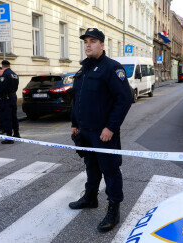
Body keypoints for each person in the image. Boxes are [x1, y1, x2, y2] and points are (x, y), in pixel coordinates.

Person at [69, 28, 132, 232]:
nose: (88, 44)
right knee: (91, 166)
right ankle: (90, 198)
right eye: (86, 41)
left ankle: (113, 210)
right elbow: (77, 100)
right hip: (85, 132)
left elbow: (124, 100)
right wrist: (74, 124)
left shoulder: (112, 68)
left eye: (93, 41)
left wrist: (110, 127)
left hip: (103, 133)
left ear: (102, 45)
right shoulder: (83, 70)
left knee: (110, 170)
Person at [0, 60, 20, 144]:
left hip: (6, 98)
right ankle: (16, 134)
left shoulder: (5, 74)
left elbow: (2, 87)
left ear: (3, 66)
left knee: (7, 117)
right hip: (13, 97)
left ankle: (9, 137)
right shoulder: (15, 74)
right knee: (14, 116)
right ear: (9, 65)